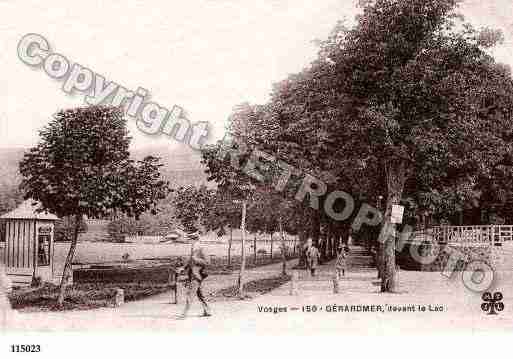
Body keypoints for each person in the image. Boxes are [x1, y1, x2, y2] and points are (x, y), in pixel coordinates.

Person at [178, 232, 211, 319]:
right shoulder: (194, 248)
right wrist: (184, 268)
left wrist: (196, 259)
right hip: (193, 274)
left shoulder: (201, 249)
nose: (189, 242)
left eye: (190, 240)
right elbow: (190, 261)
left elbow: (208, 262)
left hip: (197, 275)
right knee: (199, 293)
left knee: (190, 294)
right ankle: (207, 310)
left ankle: (184, 314)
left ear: (195, 240)